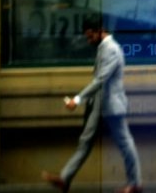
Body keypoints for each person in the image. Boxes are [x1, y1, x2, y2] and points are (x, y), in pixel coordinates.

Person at [42, 14, 143, 193]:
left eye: (90, 36)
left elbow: (100, 80)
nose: (88, 40)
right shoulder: (103, 47)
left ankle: (135, 184)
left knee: (125, 143)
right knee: (85, 142)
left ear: (99, 31)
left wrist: (78, 99)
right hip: (99, 105)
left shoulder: (111, 49)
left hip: (112, 106)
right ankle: (65, 179)